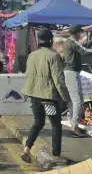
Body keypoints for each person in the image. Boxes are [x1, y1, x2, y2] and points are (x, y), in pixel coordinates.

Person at [20, 29, 70, 163]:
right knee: (56, 125)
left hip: (34, 95)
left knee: (38, 122)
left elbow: (28, 75)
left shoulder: (32, 55)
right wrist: (66, 98)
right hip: (48, 98)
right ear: (50, 41)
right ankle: (56, 155)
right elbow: (58, 80)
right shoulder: (54, 56)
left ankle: (27, 149)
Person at [63, 25, 92, 137]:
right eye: (81, 32)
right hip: (72, 72)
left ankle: (74, 123)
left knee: (77, 100)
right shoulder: (73, 42)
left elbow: (82, 46)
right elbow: (84, 51)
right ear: (77, 32)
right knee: (77, 100)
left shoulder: (69, 42)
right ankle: (75, 126)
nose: (82, 34)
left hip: (71, 72)